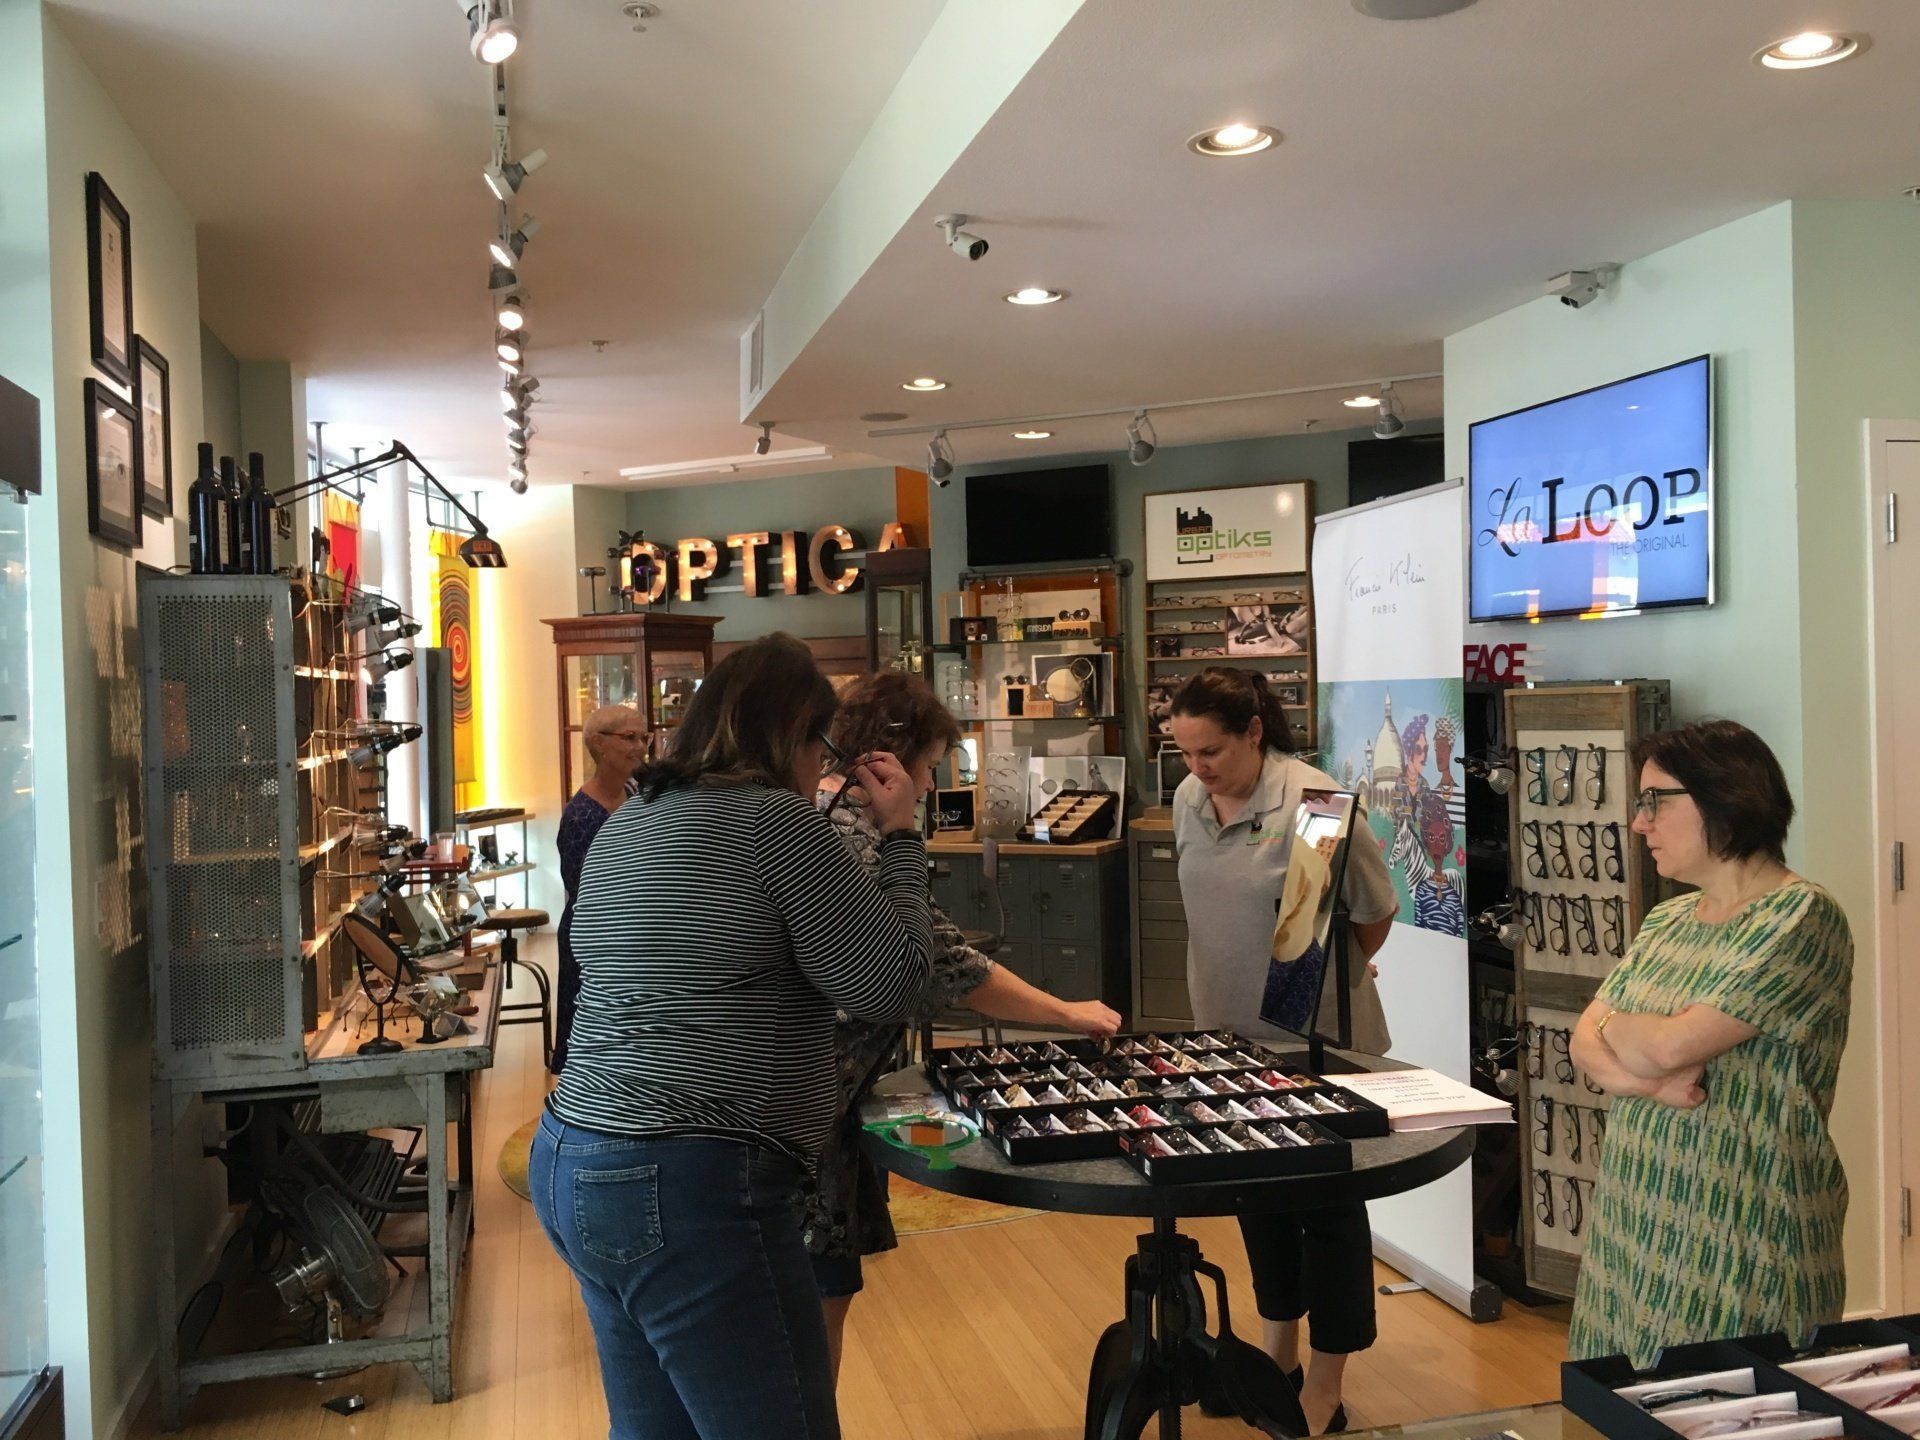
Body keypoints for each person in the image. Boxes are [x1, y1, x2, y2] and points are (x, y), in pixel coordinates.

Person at [530, 634, 933, 1440]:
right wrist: (900, 837)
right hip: (696, 1178)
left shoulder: (629, 819)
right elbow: (893, 983)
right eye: (819, 745)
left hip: (575, 1155)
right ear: (794, 735)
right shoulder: (774, 822)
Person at [804, 672, 1122, 1380]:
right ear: (890, 762)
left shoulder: (815, 813)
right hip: (808, 1110)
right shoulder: (860, 839)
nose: (926, 785)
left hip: (797, 1101)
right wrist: (1069, 1013)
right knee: (812, 1301)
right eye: (926, 768)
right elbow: (945, 964)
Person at [1567, 719, 1851, 1367]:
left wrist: (1624, 1031)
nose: (1639, 824)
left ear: (1724, 798)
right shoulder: (1668, 918)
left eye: (1652, 802)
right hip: (1634, 1223)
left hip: (1742, 1233)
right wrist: (1642, 1074)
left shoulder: (1801, 916)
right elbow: (1583, 1042)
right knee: (1618, 1409)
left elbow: (1668, 1047)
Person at [1167, 668, 1399, 1435]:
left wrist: (1344, 980)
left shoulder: (1314, 805)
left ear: (1254, 732)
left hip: (1317, 1049)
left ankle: (1326, 1388)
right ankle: (1278, 1356)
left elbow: (1373, 912)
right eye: (1186, 752)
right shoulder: (1187, 801)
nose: (1198, 768)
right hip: (1226, 1045)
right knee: (1259, 1203)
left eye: (1213, 752)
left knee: (1327, 1215)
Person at [550, 702, 647, 1072]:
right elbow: (583, 894)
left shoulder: (636, 792)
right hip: (595, 937)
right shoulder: (580, 816)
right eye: (629, 738)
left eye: (643, 737)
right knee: (591, 1043)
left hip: (634, 932)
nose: (640, 746)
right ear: (599, 745)